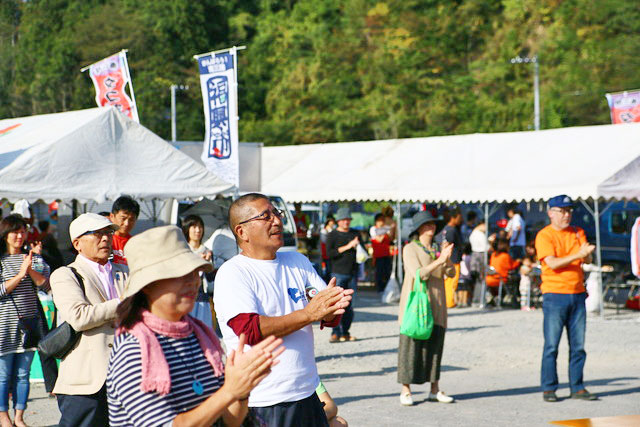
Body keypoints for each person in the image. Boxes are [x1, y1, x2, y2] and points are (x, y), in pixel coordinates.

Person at [107, 225, 284, 426]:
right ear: (147, 285)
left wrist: (242, 390)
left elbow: (229, 421)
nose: (192, 281)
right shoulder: (135, 349)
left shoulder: (198, 335)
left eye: (194, 272)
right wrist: (230, 391)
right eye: (179, 274)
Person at [215, 193, 353, 427]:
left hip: (307, 392)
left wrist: (332, 307)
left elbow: (328, 315)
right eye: (265, 216)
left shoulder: (297, 261)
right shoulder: (233, 272)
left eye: (276, 213)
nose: (277, 221)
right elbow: (248, 330)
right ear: (242, 232)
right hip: (264, 400)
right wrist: (309, 314)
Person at [49, 213, 128, 426]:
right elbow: (79, 316)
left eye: (109, 233)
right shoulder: (65, 275)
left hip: (126, 377)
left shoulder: (124, 271)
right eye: (97, 234)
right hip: (85, 381)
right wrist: (122, 304)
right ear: (77, 243)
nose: (105, 239)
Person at [535, 195, 596, 402]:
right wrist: (579, 254)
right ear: (551, 212)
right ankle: (549, 387)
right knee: (551, 345)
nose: (567, 215)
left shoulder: (578, 232)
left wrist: (586, 254)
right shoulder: (545, 236)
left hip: (577, 293)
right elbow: (552, 263)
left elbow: (586, 258)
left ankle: (577, 386)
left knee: (578, 345)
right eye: (562, 211)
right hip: (555, 294)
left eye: (569, 210)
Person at [398, 211, 455, 406]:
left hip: (437, 304)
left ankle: (434, 389)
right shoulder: (410, 249)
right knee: (411, 347)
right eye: (427, 224)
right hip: (415, 305)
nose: (431, 227)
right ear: (419, 228)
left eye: (433, 224)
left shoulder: (437, 249)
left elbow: (451, 271)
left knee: (435, 348)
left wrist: (447, 257)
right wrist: (440, 260)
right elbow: (418, 274)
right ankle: (406, 390)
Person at [0, 215, 50, 427]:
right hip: (4, 326)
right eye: (15, 231)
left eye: (23, 231)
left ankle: (19, 417)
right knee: (3, 377)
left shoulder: (34, 258)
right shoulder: (1, 261)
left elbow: (46, 285)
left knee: (23, 375)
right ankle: (4, 417)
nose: (20, 236)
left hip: (29, 325)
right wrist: (21, 274)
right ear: (5, 234)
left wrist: (29, 266)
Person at [326, 208, 360, 342]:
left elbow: (361, 249)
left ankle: (345, 332)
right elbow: (330, 254)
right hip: (338, 273)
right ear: (338, 221)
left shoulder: (355, 233)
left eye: (348, 220)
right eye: (344, 220)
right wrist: (349, 246)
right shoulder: (332, 235)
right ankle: (335, 333)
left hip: (352, 273)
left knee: (349, 307)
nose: (346, 222)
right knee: (337, 305)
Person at [181, 214, 215, 329]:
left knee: (204, 333)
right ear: (187, 229)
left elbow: (210, 280)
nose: (198, 230)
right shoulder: (183, 251)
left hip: (203, 299)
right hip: (185, 298)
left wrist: (208, 265)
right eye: (194, 227)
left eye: (200, 227)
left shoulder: (207, 251)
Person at [436, 208, 463, 308]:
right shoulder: (451, 230)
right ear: (454, 217)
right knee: (452, 282)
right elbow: (447, 244)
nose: (461, 220)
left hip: (450, 259)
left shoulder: (445, 229)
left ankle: (448, 301)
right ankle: (449, 302)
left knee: (448, 282)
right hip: (453, 259)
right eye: (459, 217)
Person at [109, 195, 140, 266]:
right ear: (112, 217)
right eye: (123, 218)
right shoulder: (105, 240)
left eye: (131, 219)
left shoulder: (136, 243)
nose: (127, 223)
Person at [370, 213, 394, 293]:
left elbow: (391, 238)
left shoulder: (386, 228)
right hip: (378, 255)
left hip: (386, 254)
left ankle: (386, 287)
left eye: (383, 220)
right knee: (379, 272)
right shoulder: (373, 229)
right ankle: (380, 288)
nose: (382, 222)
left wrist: (391, 229)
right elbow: (378, 240)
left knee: (387, 272)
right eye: (380, 220)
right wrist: (385, 232)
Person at [469, 222, 489, 305]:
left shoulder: (472, 234)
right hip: (481, 255)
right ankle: (479, 299)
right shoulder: (481, 235)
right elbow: (486, 247)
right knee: (481, 278)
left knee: (477, 279)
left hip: (474, 255)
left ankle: (476, 298)